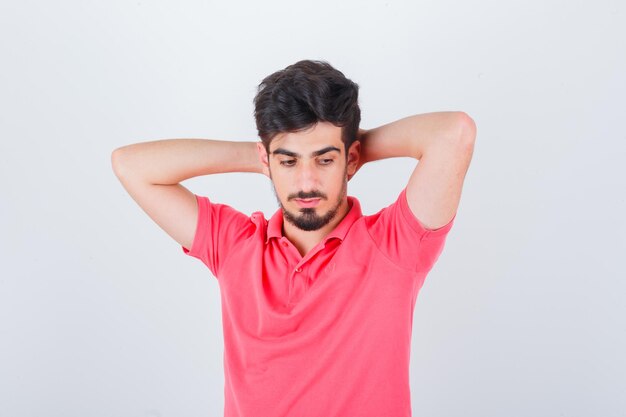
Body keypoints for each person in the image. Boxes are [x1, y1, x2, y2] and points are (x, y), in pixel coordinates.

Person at [111, 59, 476, 417]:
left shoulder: (394, 245)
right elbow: (131, 165)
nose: (306, 183)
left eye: (325, 161)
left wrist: (349, 144)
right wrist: (265, 156)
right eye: (288, 162)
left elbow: (454, 132)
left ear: (352, 160)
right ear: (267, 160)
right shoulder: (234, 244)